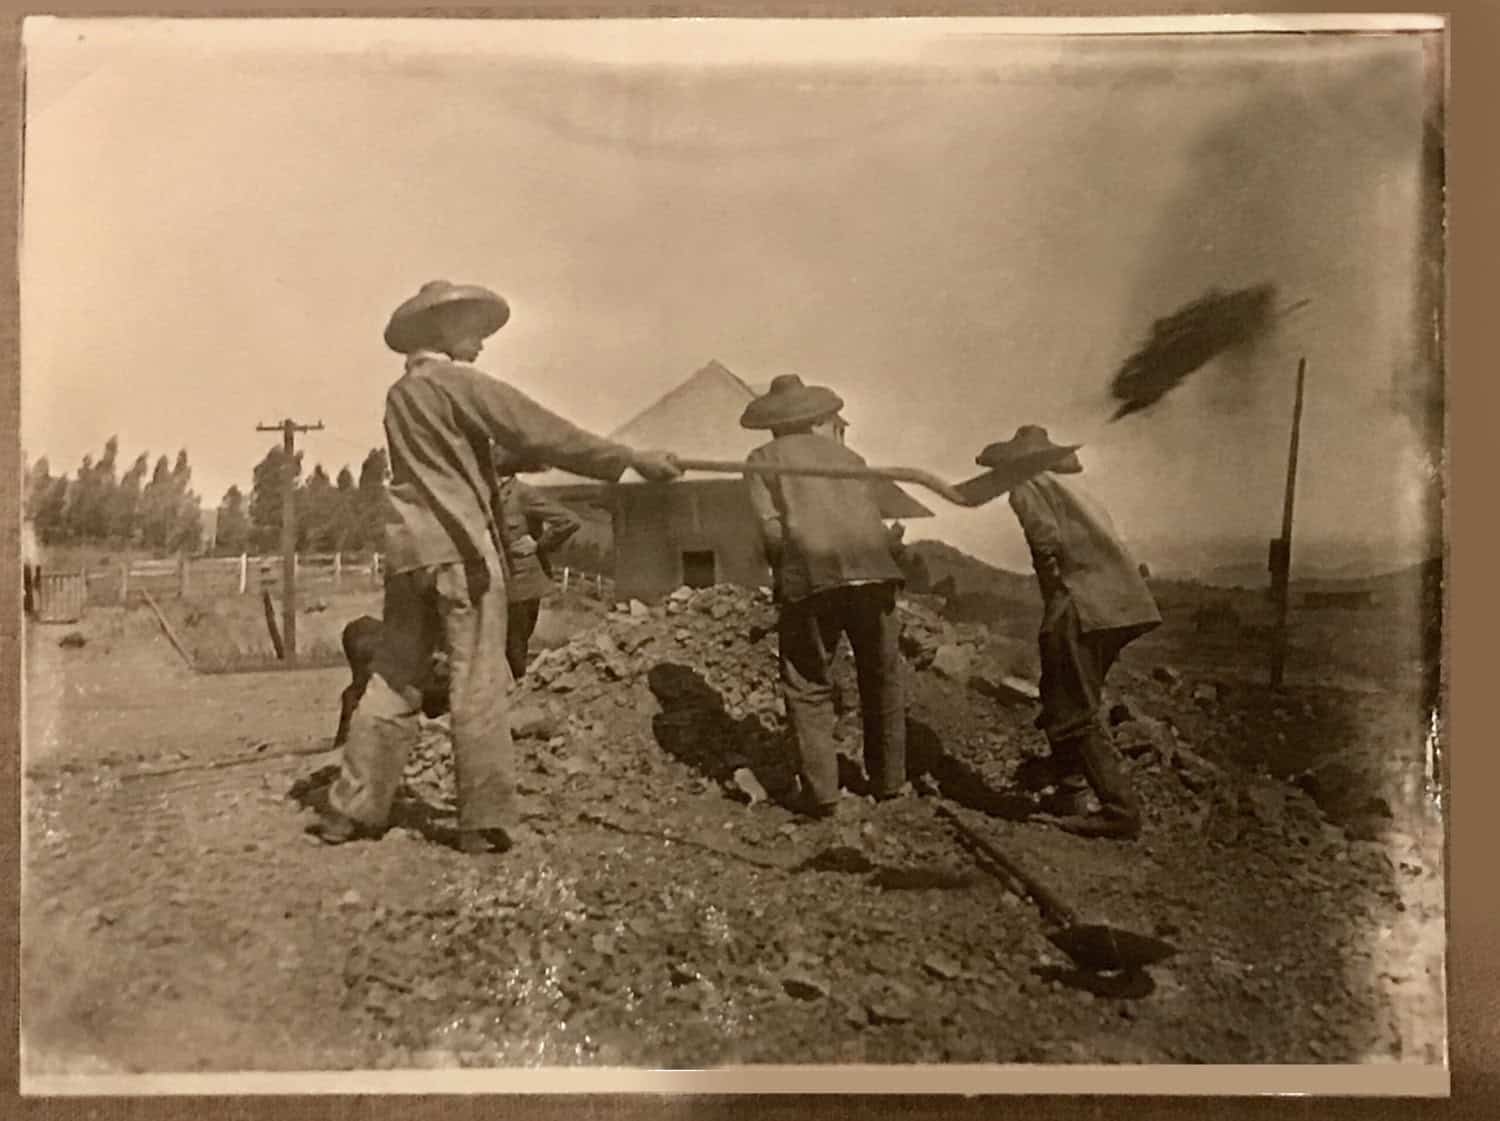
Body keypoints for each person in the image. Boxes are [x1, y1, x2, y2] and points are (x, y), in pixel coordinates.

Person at [309, 279, 680, 854]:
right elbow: (539, 428)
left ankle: (349, 811)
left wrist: (531, 453)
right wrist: (631, 459)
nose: (481, 338)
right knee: (478, 680)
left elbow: (491, 450)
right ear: (441, 330)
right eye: (471, 326)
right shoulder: (460, 382)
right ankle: (482, 819)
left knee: (391, 680)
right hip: (462, 549)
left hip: (411, 552)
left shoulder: (404, 393)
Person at [979, 425, 1161, 840]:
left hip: (1084, 604)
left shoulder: (1026, 488)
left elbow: (1046, 544)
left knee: (1072, 708)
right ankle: (1069, 791)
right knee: (1066, 691)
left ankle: (1119, 812)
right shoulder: (1075, 491)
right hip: (1125, 604)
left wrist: (1055, 604)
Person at [742, 374, 908, 818]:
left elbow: (773, 531)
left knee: (807, 682)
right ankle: (890, 782)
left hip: (814, 577)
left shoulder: (761, 459)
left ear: (772, 424)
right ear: (815, 417)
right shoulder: (851, 457)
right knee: (881, 678)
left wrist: (784, 578)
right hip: (874, 575)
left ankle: (822, 795)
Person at [491, 469, 581, 681]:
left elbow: (569, 520)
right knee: (495, 649)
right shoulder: (488, 495)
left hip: (523, 585)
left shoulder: (524, 494)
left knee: (514, 649)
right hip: (497, 583)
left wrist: (539, 545)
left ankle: (516, 699)